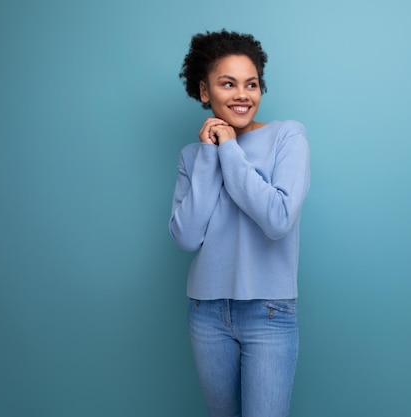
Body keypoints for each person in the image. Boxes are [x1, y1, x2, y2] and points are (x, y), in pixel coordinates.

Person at [169, 29, 310, 417]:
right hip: (206, 312)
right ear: (204, 91)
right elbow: (186, 235)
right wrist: (208, 156)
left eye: (251, 84)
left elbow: (277, 219)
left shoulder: (288, 136)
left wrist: (229, 149)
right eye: (227, 84)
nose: (242, 94)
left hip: (268, 311)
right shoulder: (193, 155)